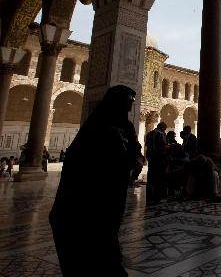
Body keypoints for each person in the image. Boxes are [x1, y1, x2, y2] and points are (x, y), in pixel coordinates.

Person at [49, 85, 141, 276]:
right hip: (88, 198)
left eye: (133, 101)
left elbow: (134, 152)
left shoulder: (126, 126)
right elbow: (80, 163)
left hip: (112, 195)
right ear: (117, 101)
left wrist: (135, 162)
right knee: (91, 247)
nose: (131, 106)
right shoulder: (97, 127)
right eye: (129, 101)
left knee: (107, 239)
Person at [145, 121, 168, 204]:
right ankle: (157, 197)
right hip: (159, 158)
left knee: (150, 176)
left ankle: (149, 197)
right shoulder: (161, 134)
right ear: (163, 128)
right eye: (164, 129)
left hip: (151, 157)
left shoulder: (149, 134)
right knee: (159, 177)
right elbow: (163, 146)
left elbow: (147, 145)